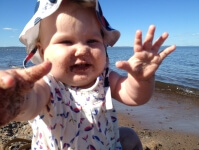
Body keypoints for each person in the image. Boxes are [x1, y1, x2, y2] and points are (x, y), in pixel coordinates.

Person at [0, 0, 176, 149]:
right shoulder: (45, 85)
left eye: (92, 41)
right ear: (42, 50)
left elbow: (134, 97)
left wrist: (141, 80)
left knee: (129, 136)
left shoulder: (105, 78)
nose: (83, 49)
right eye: (66, 41)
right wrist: (16, 98)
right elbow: (31, 103)